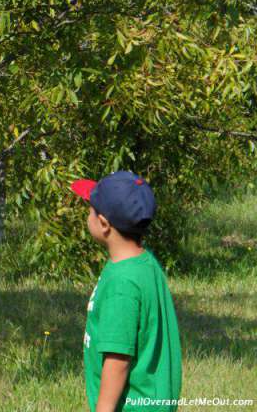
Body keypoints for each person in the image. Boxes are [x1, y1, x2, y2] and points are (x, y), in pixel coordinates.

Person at [71, 171, 182, 412]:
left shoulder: (123, 284)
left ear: (103, 224)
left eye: (89, 210)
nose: (86, 216)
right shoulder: (145, 263)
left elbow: (118, 360)